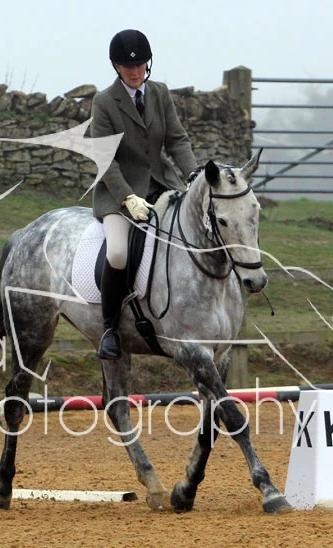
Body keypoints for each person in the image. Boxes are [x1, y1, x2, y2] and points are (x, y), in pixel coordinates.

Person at [90, 29, 198, 360]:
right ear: (116, 66)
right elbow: (104, 159)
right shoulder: (104, 102)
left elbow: (177, 139)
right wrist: (127, 197)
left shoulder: (160, 93)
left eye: (140, 66)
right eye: (127, 67)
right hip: (118, 193)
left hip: (163, 184)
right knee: (118, 253)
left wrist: (193, 175)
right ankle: (110, 328)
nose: (135, 72)